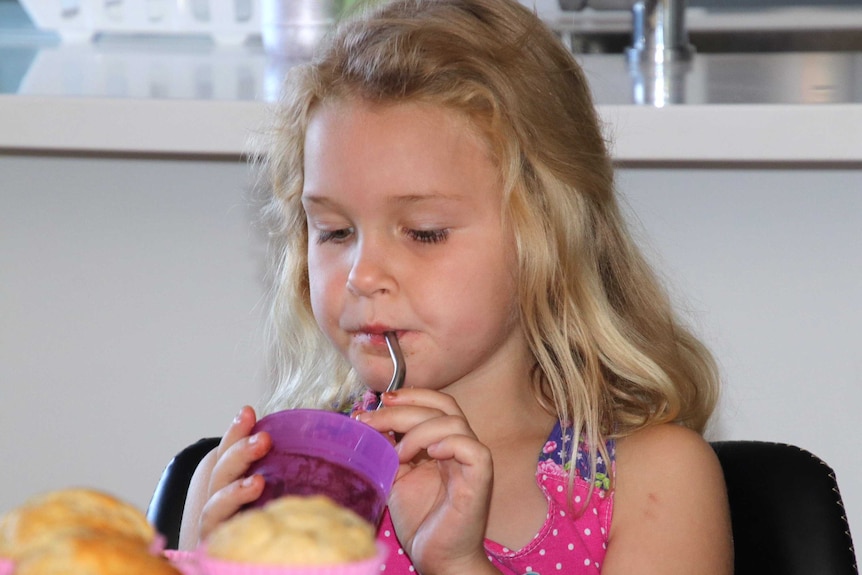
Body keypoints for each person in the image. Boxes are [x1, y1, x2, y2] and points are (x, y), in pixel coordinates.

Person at [179, 0, 734, 572]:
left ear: (545, 234)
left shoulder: (652, 481)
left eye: (424, 233)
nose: (362, 276)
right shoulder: (250, 484)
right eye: (336, 231)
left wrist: (457, 563)